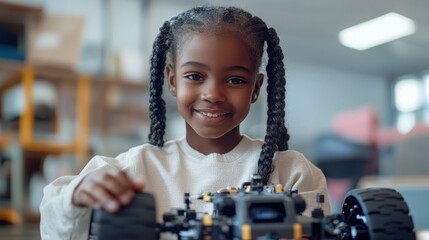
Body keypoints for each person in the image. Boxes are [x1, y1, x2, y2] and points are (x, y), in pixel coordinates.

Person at [40, 5, 330, 239]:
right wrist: (77, 196)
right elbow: (54, 222)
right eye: (195, 76)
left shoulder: (293, 172)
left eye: (235, 80)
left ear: (256, 88)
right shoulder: (136, 169)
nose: (213, 94)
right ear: (172, 80)